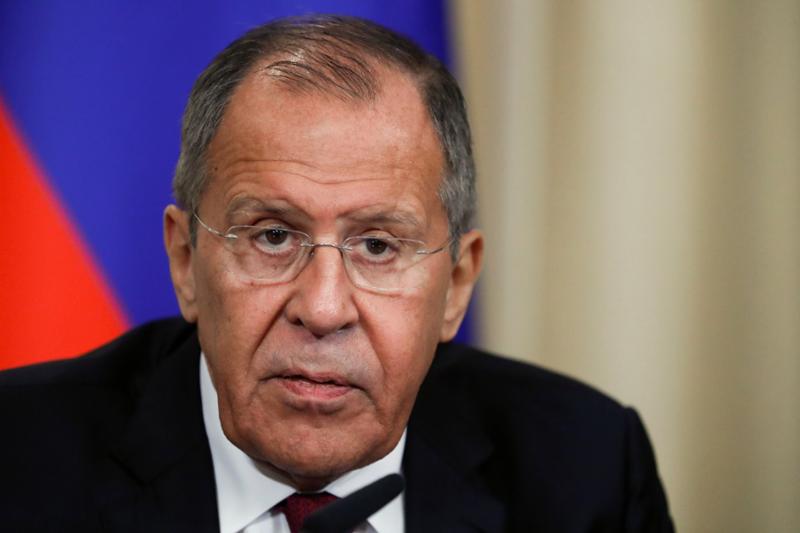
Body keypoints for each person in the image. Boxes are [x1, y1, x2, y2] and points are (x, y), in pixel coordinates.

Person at [0, 15, 673, 533]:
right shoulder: (18, 460)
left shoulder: (586, 472)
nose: (323, 309)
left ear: (457, 285)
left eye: (378, 246)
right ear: (185, 261)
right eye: (272, 236)